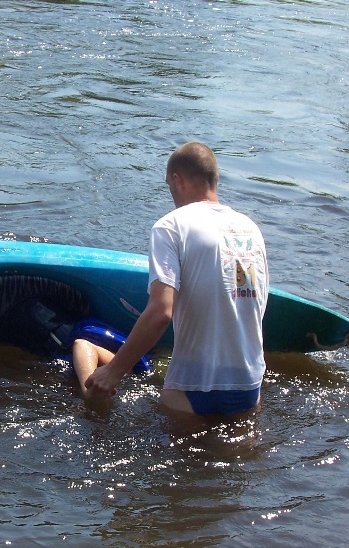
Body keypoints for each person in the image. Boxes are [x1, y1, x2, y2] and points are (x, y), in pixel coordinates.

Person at [74, 142, 268, 416]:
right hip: (250, 387)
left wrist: (113, 373)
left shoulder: (172, 226)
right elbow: (256, 304)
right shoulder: (251, 229)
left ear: (177, 180)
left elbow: (161, 312)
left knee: (94, 404)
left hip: (194, 389)